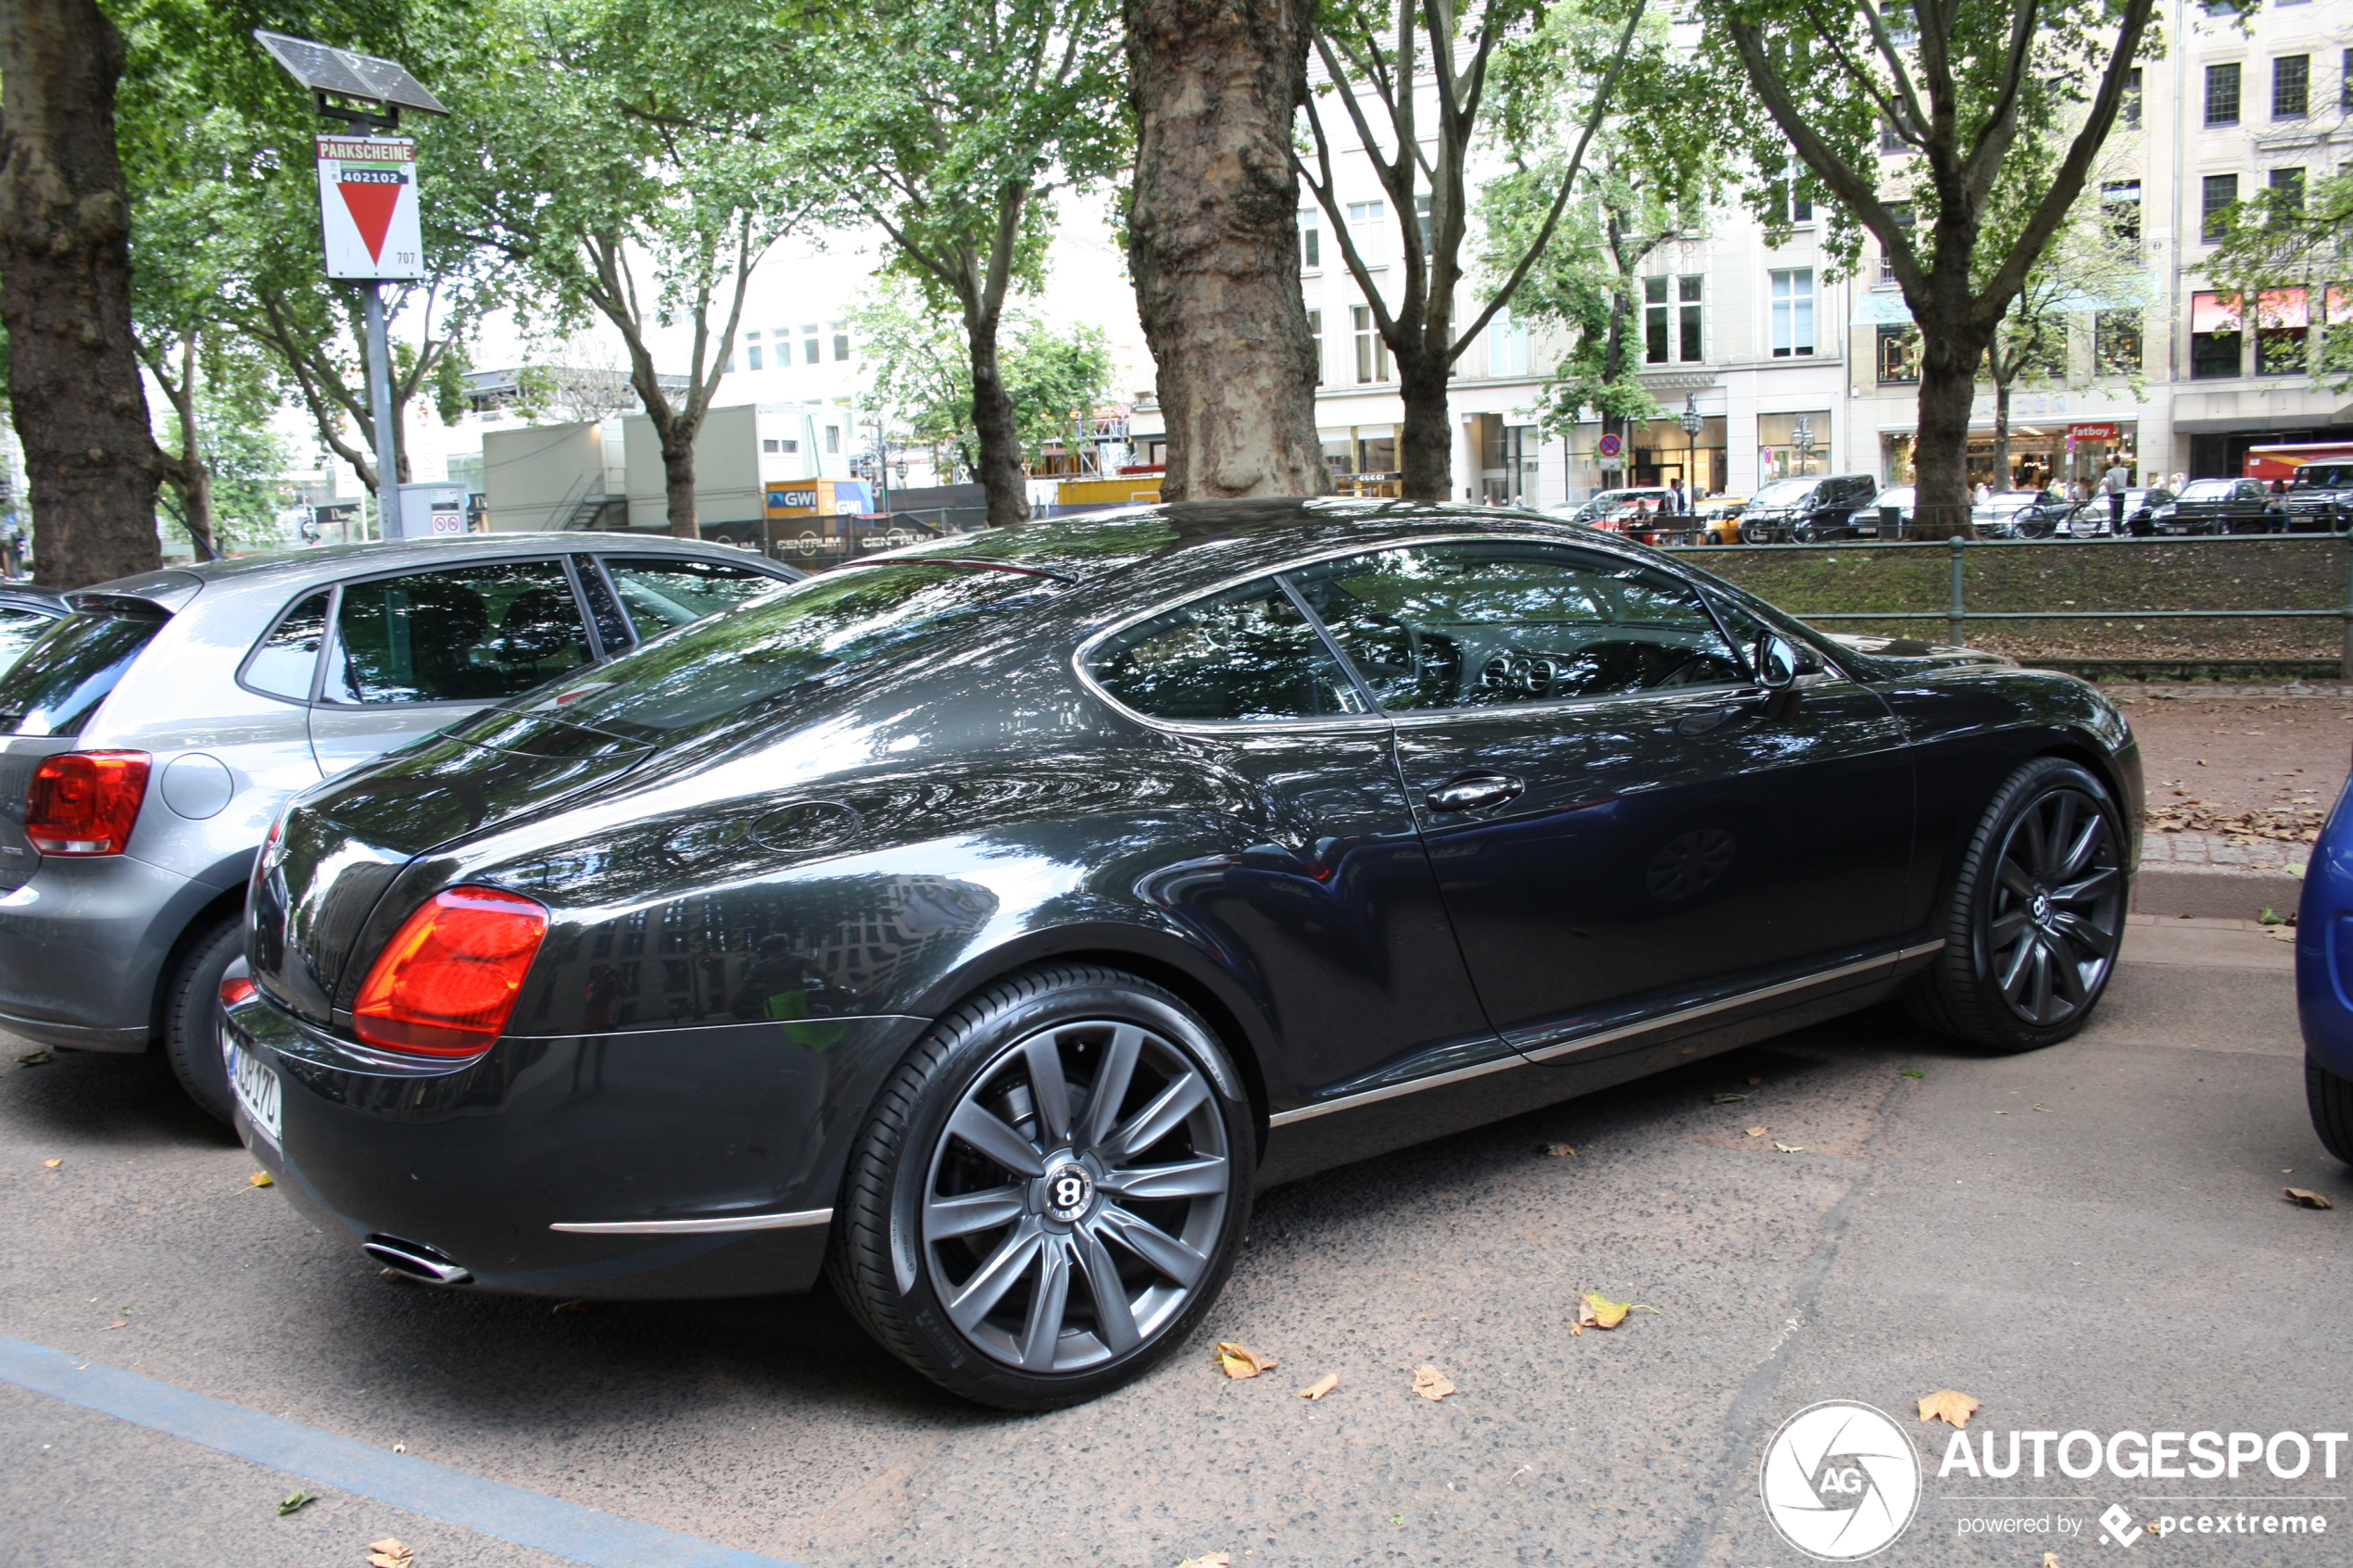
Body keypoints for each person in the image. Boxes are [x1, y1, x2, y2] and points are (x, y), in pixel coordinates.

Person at [2102, 457, 2131, 533]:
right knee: (2120, 510)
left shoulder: (2110, 472)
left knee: (2115, 511)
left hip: (2115, 492)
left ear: (2113, 462)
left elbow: (2111, 483)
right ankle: (2120, 529)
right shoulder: (2125, 470)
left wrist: (2109, 492)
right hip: (2123, 491)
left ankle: (2117, 530)